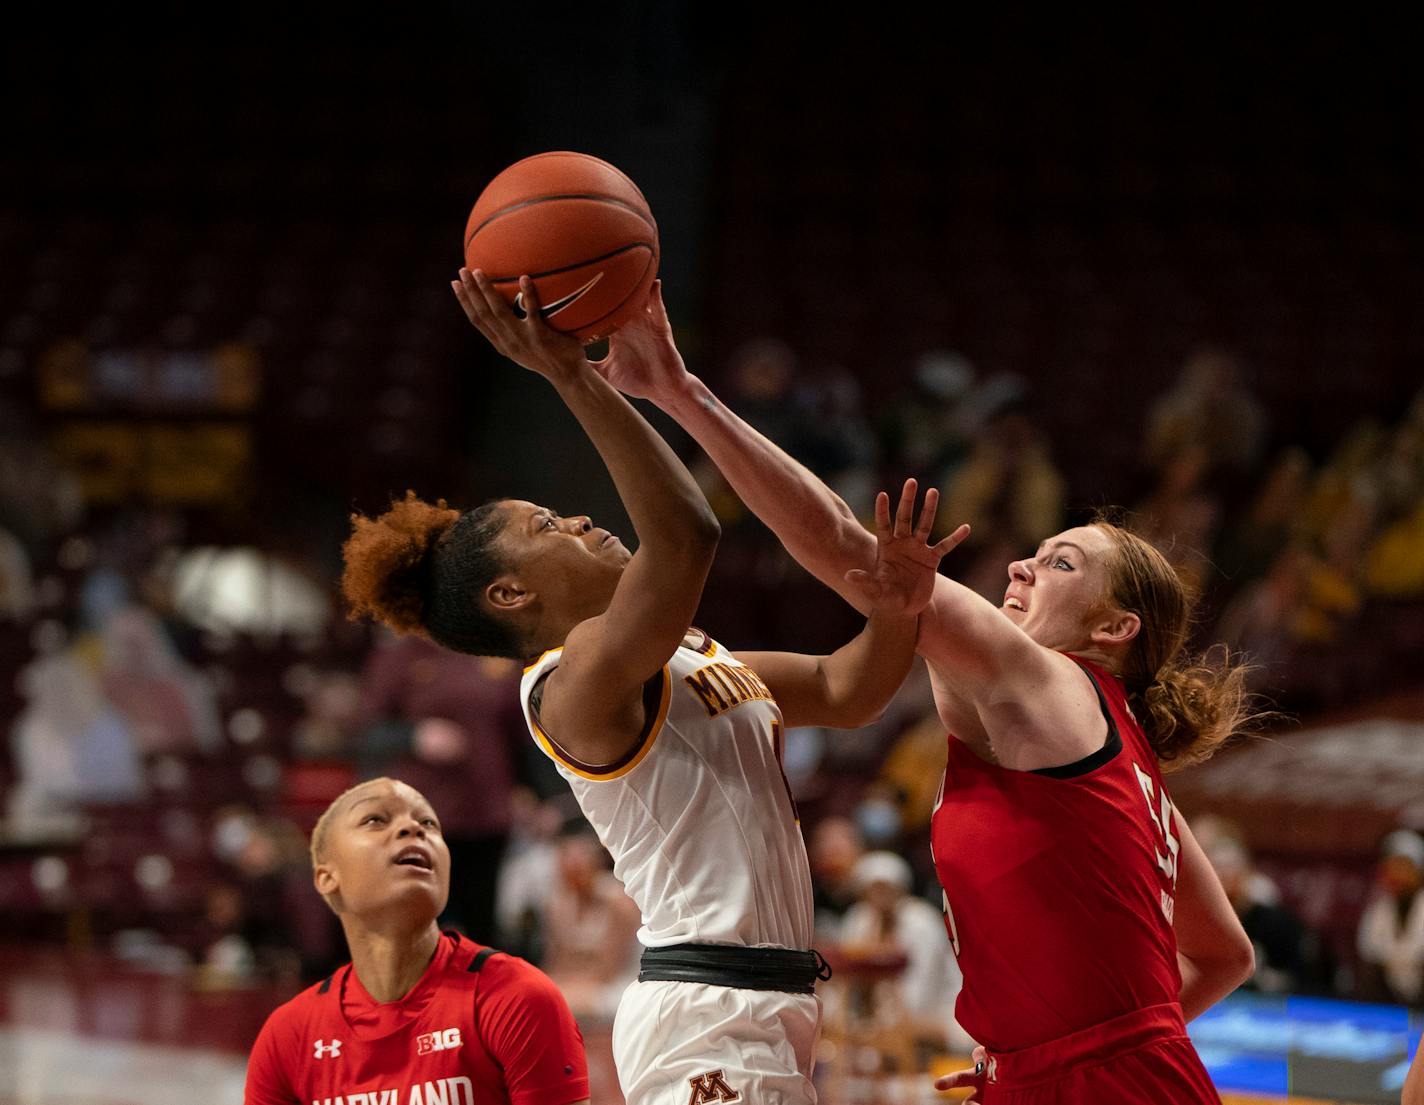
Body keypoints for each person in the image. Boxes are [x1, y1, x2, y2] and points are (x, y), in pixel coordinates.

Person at [339, 271, 954, 1105]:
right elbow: (689, 533)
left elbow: (845, 692)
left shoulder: (686, 658)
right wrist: (572, 375)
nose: (585, 520)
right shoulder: (568, 688)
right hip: (710, 1010)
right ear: (511, 595)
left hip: (766, 1002)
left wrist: (895, 607)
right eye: (548, 526)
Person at [597, 340, 1260, 1104]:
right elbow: (1224, 955)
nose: (1022, 567)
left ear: (1114, 630)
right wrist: (1055, 1057)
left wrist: (682, 393)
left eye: (1061, 565)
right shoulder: (1130, 771)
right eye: (1036, 553)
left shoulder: (1051, 683)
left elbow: (843, 544)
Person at [243, 777, 590, 1105]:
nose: (413, 829)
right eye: (376, 820)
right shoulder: (288, 1035)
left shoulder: (515, 995)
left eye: (429, 824)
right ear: (326, 876)